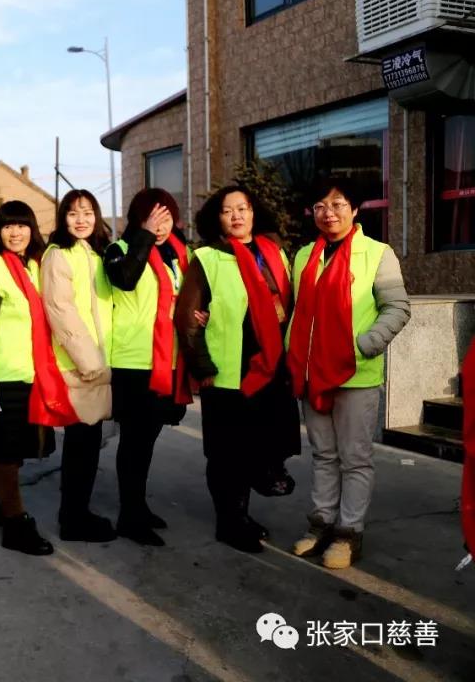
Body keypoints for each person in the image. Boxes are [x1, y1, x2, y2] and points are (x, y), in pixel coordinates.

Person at [287, 178, 410, 569]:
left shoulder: (377, 253)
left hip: (356, 374)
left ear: (355, 210)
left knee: (354, 458)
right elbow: (297, 311)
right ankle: (321, 524)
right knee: (324, 455)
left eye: (338, 204)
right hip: (312, 373)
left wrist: (363, 344)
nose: (329, 213)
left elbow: (397, 307)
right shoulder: (303, 256)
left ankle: (348, 533)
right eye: (321, 206)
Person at [175, 185, 301, 554]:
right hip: (228, 369)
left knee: (256, 443)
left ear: (254, 212)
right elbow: (187, 318)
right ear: (217, 218)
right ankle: (229, 522)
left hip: (270, 364)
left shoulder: (273, 253)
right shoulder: (207, 259)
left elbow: (288, 302)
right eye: (227, 210)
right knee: (227, 453)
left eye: (242, 208)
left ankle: (244, 510)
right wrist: (201, 364)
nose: (236, 216)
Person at [0, 200, 76, 556]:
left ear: (32, 229)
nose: (15, 232)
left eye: (21, 225)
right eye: (7, 226)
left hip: (33, 374)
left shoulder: (35, 265)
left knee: (17, 450)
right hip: (2, 377)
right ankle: (16, 525)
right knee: (5, 452)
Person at [103, 188, 191, 547]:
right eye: (153, 218)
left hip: (167, 359)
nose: (160, 226)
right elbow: (126, 279)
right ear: (138, 220)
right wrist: (144, 236)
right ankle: (130, 515)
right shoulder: (119, 250)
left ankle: (137, 506)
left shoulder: (178, 255)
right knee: (134, 442)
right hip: (133, 362)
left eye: (167, 218)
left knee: (148, 440)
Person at [41, 189, 116, 543]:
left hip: (99, 363)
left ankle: (78, 512)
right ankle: (73, 519)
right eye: (73, 213)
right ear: (63, 219)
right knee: (80, 445)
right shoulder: (59, 255)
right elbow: (61, 311)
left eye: (87, 212)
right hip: (81, 364)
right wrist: (90, 362)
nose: (81, 219)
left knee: (88, 443)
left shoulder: (96, 253)